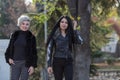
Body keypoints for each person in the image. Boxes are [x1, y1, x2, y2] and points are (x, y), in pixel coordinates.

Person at [46, 15, 83, 80]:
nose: (64, 24)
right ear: (59, 23)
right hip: (57, 61)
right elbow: (49, 50)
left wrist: (74, 29)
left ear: (68, 24)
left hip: (68, 61)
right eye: (62, 22)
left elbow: (80, 41)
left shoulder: (71, 34)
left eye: (66, 22)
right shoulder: (54, 34)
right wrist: (49, 65)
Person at [5, 15, 38, 80]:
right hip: (15, 63)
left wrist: (32, 66)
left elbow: (34, 53)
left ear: (29, 25)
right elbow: (9, 49)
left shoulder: (31, 37)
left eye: (27, 24)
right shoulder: (14, 35)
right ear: (19, 24)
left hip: (26, 64)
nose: (25, 26)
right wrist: (9, 58)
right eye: (23, 24)